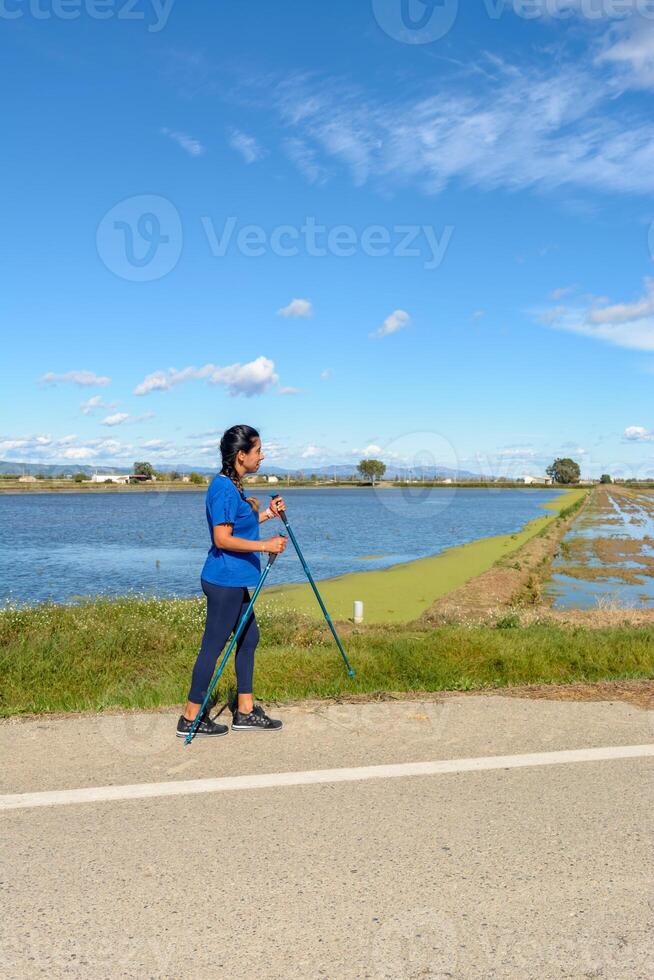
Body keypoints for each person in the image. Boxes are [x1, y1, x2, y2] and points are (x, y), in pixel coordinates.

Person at [176, 425, 288, 738]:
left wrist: (268, 514)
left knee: (249, 638)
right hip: (223, 580)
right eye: (258, 451)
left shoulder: (232, 486)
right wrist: (266, 546)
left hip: (234, 580)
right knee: (211, 648)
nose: (262, 456)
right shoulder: (222, 488)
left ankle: (245, 711)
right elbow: (223, 539)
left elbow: (239, 525)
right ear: (241, 455)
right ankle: (190, 716)